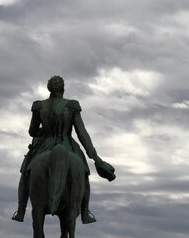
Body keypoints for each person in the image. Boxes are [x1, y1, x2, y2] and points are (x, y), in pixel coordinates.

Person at [12, 75, 113, 224]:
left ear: (49, 89)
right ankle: (85, 213)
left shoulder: (39, 106)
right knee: (84, 174)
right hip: (67, 144)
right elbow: (82, 133)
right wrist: (95, 157)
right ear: (63, 89)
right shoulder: (72, 106)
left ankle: (21, 211)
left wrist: (43, 132)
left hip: (44, 145)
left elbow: (32, 132)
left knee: (25, 173)